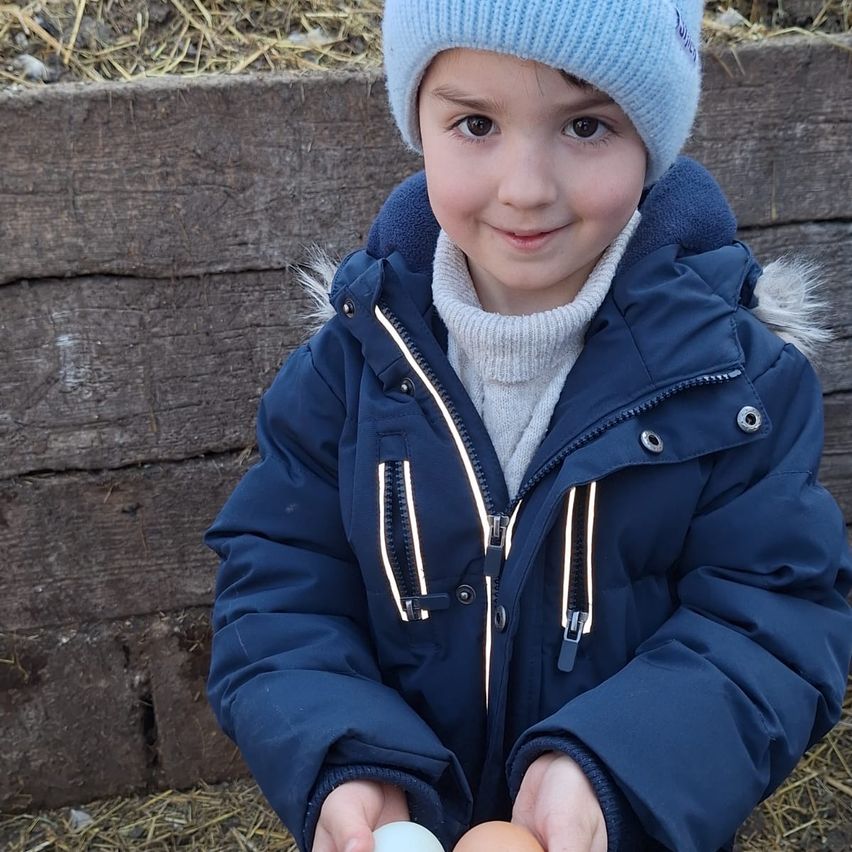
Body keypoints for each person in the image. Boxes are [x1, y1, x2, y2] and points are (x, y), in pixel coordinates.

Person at [205, 2, 852, 850]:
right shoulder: (350, 369)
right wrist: (350, 756)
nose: (526, 186)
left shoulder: (738, 386)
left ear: (650, 140)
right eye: (476, 123)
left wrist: (609, 770)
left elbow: (773, 621)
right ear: (419, 123)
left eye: (586, 125)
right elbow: (279, 584)